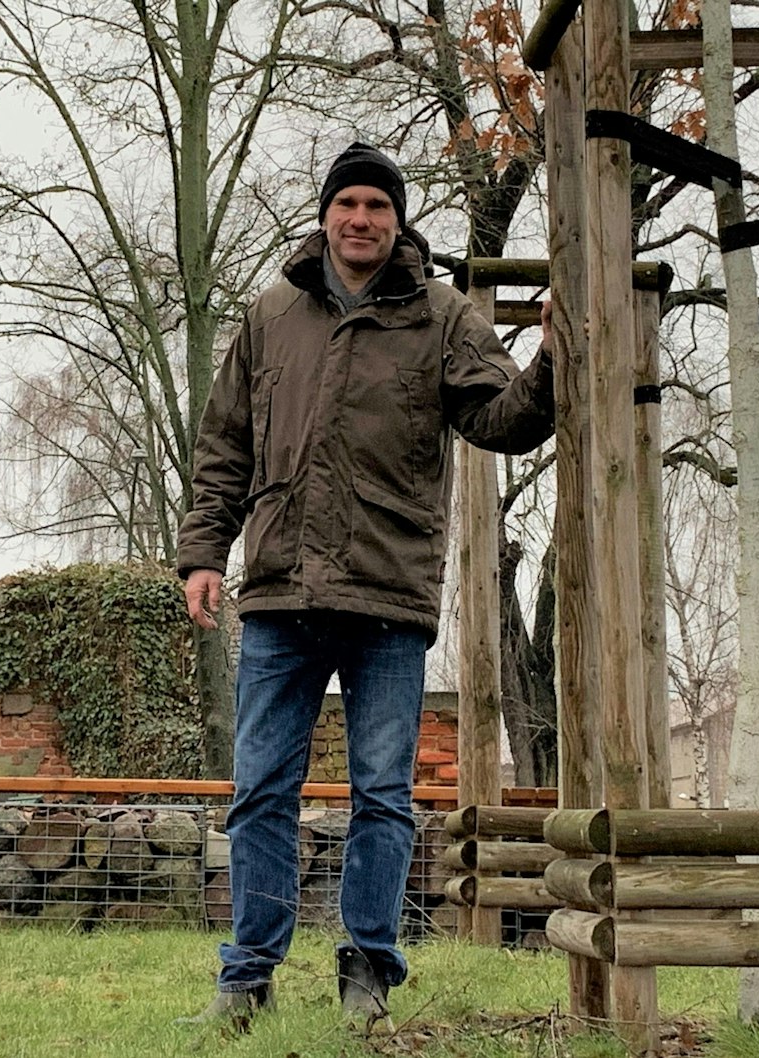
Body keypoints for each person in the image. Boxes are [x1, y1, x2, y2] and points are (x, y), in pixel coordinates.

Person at [174, 142, 557, 1028]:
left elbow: (500, 419)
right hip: (280, 594)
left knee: (382, 796)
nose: (360, 219)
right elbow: (225, 445)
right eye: (347, 203)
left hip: (388, 596)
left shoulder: (444, 316)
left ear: (398, 221)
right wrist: (204, 553)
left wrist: (551, 359)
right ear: (325, 215)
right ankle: (246, 977)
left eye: (377, 206)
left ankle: (368, 973)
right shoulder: (272, 314)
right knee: (260, 793)